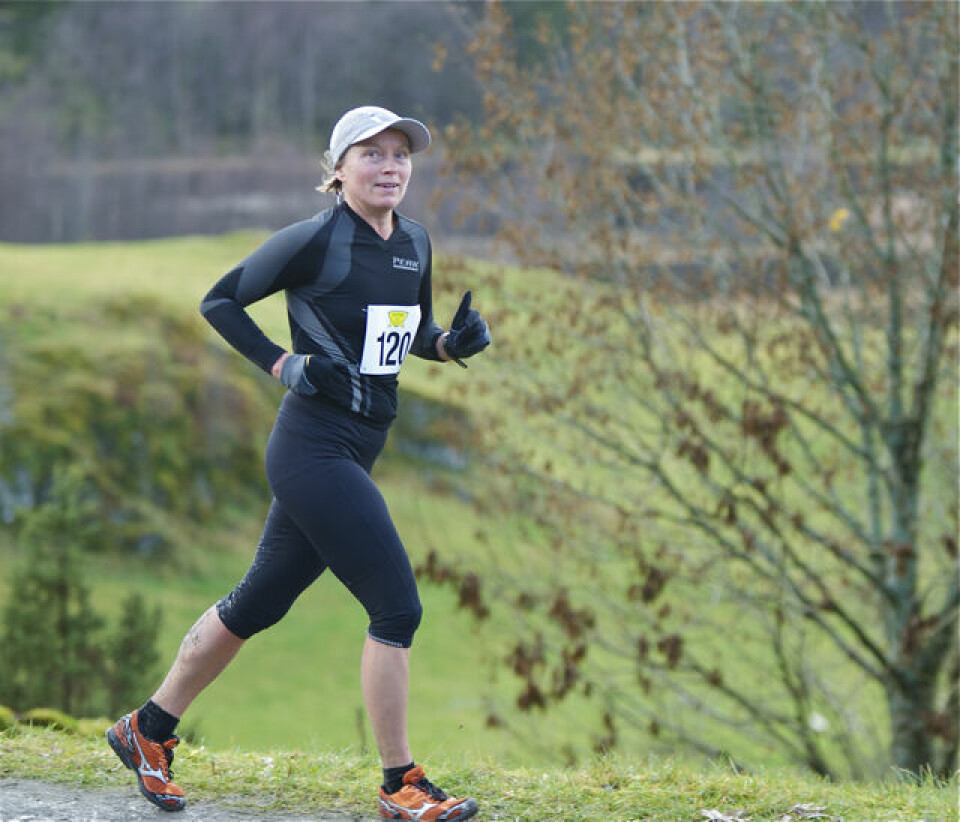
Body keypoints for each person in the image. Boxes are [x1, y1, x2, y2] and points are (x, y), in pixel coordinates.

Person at [106, 105, 490, 821]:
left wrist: (452, 344)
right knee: (396, 604)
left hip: (360, 443)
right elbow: (219, 301)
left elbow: (404, 335)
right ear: (338, 168)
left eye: (400, 154)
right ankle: (399, 783)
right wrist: (283, 364)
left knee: (259, 601)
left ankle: (146, 730)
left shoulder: (414, 242)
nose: (390, 166)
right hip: (312, 447)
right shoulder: (314, 240)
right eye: (371, 154)